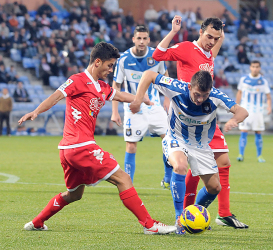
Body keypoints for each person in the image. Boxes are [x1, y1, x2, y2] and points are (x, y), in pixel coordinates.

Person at [19, 42, 176, 235]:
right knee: (123, 179)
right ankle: (149, 224)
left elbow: (119, 95)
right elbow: (56, 96)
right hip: (81, 146)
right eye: (109, 65)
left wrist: (140, 97)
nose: (111, 70)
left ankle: (37, 222)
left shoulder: (101, 87)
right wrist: (35, 111)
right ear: (97, 62)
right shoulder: (77, 80)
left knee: (74, 194)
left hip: (68, 151)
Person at [153, 16, 249, 229]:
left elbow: (215, 45)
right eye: (208, 36)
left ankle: (202, 215)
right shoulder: (187, 48)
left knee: (222, 162)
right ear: (200, 31)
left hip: (205, 116)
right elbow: (157, 54)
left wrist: (219, 31)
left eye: (216, 38)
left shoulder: (208, 54)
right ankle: (189, 214)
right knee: (193, 167)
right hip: (187, 113)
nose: (212, 41)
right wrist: (173, 32)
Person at [130, 70, 248, 234]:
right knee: (179, 166)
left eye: (204, 95)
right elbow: (149, 75)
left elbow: (242, 111)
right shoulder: (177, 88)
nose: (200, 100)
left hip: (201, 146)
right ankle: (180, 218)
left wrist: (234, 120)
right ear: (189, 86)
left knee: (214, 188)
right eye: (197, 94)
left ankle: (193, 214)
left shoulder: (216, 96)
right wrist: (137, 99)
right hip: (176, 138)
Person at [111, 25, 169, 183]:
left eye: (144, 38)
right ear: (133, 39)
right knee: (131, 146)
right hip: (133, 108)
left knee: (169, 140)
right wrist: (114, 111)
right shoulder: (123, 59)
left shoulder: (156, 56)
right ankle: (128, 182)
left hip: (154, 105)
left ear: (148, 40)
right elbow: (116, 86)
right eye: (139, 38)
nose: (142, 41)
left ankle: (168, 178)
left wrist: (167, 99)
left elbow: (165, 76)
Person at [236, 60, 271, 163]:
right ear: (250, 67)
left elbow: (268, 96)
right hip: (245, 109)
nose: (255, 69)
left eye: (257, 67)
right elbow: (239, 92)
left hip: (258, 111)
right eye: (253, 66)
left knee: (258, 132)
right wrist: (236, 106)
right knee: (243, 131)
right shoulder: (244, 80)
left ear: (259, 68)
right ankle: (241, 154)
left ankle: (259, 156)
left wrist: (269, 107)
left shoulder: (263, 81)